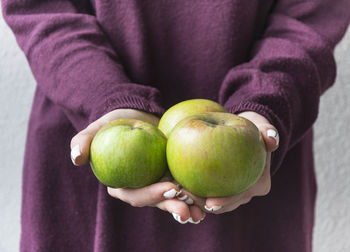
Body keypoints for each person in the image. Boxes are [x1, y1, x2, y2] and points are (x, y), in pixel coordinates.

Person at [2, 0, 349, 251]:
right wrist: (105, 96)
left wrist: (266, 101)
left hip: (253, 145)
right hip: (88, 120)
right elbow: (40, 6)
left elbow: (311, 13)